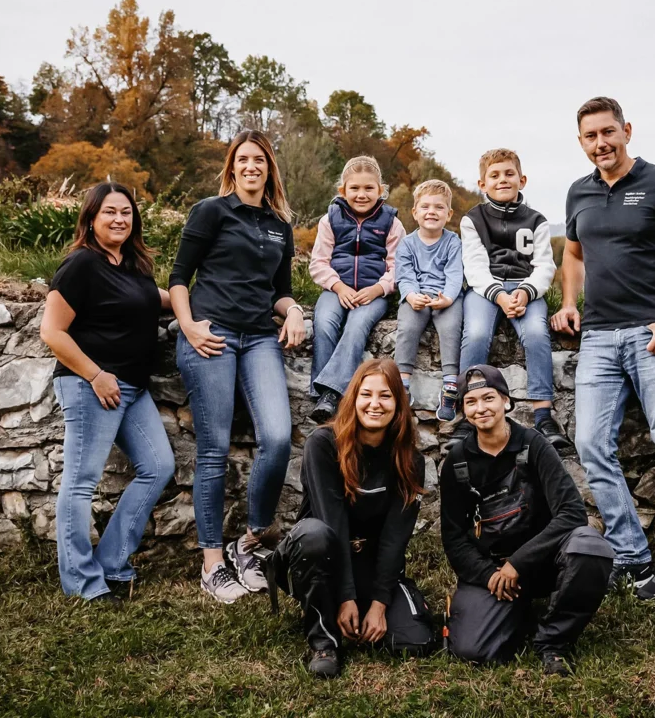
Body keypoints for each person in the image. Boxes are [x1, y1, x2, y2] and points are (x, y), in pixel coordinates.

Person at [551, 97, 655, 599]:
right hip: (597, 335)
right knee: (592, 444)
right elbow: (572, 255)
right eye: (591, 136)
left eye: (608, 132)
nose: (601, 143)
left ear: (627, 131)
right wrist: (569, 301)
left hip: (653, 334)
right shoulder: (578, 193)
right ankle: (632, 553)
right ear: (581, 142)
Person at [168, 129, 307, 603]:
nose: (252, 167)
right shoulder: (210, 210)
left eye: (260, 160)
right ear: (232, 167)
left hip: (259, 339)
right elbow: (178, 277)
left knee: (278, 437)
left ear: (270, 168)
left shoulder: (279, 226)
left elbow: (280, 291)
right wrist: (188, 326)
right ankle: (211, 563)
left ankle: (248, 543)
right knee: (213, 448)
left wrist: (294, 311)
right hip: (212, 336)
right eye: (243, 159)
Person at [40, 182, 174, 602]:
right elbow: (52, 331)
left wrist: (219, 304)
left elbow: (166, 300)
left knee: (158, 466)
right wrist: (96, 374)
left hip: (132, 387)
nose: (119, 219)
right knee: (80, 484)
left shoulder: (132, 266)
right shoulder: (81, 265)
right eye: (110, 212)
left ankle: (112, 562)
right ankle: (81, 582)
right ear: (92, 218)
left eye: (126, 212)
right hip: (90, 385)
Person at [441, 364, 614, 677]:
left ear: (506, 401)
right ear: (464, 410)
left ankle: (552, 642)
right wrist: (488, 574)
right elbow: (453, 537)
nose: (481, 408)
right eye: (471, 402)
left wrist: (519, 563)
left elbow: (572, 512)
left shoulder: (535, 445)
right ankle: (515, 610)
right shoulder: (457, 461)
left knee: (590, 548)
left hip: (543, 563)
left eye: (488, 398)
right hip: (493, 568)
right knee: (473, 650)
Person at [273, 359, 433, 678]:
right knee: (316, 535)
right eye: (366, 394)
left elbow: (394, 538)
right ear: (353, 399)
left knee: (414, 642)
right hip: (319, 556)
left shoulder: (410, 459)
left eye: (385, 396)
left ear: (399, 404)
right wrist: (346, 597)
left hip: (369, 560)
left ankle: (366, 606)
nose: (375, 404)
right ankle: (324, 642)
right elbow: (331, 520)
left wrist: (378, 604)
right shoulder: (324, 444)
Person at [459, 148, 571, 450]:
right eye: (494, 175)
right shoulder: (473, 219)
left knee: (536, 333)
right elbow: (475, 266)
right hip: (486, 290)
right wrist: (499, 295)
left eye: (509, 174)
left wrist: (525, 291)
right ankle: (464, 411)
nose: (502, 180)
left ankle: (543, 414)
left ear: (522, 179)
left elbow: (545, 265)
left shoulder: (537, 220)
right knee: (477, 333)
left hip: (526, 286)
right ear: (482, 184)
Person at [308, 156, 407, 423]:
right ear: (343, 191)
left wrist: (378, 289)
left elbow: (399, 266)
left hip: (373, 293)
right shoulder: (329, 220)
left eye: (368, 189)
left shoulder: (392, 223)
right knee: (325, 321)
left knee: (357, 324)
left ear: (380, 190)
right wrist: (338, 287)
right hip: (336, 289)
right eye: (354, 189)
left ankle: (330, 394)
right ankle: (320, 392)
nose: (361, 195)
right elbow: (318, 263)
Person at [393, 179, 464, 421]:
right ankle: (402, 383)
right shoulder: (407, 244)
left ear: (449, 213)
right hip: (417, 296)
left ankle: (450, 386)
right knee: (408, 327)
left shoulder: (453, 242)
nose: (431, 212)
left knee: (451, 328)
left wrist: (448, 298)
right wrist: (412, 296)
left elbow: (455, 275)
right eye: (425, 207)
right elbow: (404, 276)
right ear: (414, 212)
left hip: (445, 296)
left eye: (438, 207)